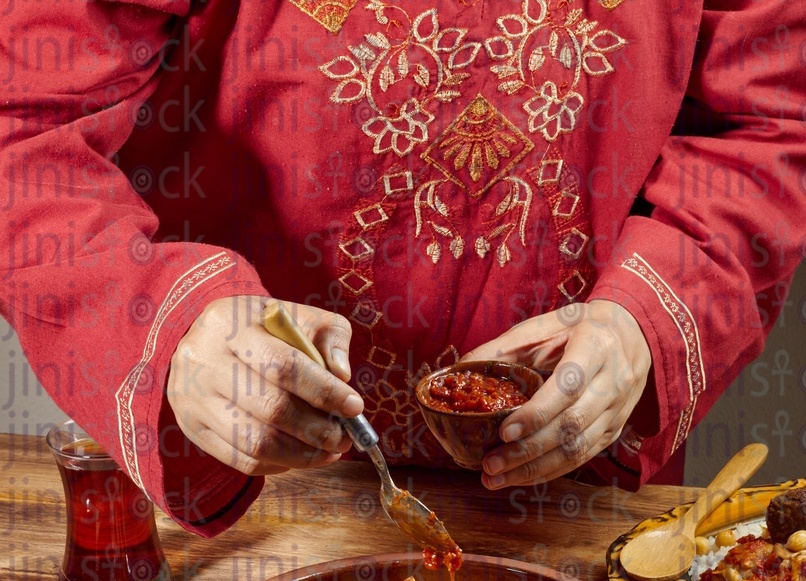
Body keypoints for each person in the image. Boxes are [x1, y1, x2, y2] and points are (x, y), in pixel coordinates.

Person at [2, 1, 804, 536]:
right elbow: (26, 136)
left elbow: (766, 126)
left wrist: (646, 321)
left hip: (580, 490)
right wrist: (168, 322)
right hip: (253, 489)